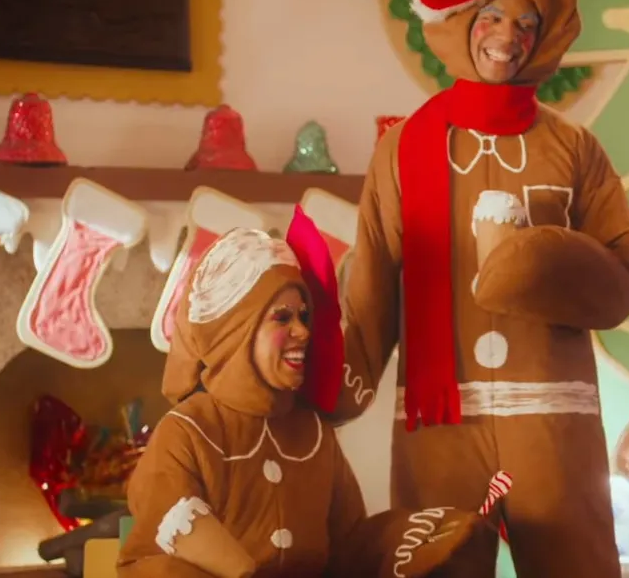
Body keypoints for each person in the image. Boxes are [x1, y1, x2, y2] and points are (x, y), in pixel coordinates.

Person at [330, 0, 629, 578]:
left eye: (526, 23)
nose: (509, 38)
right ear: (458, 24)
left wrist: (540, 264)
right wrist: (330, 382)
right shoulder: (401, 149)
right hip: (439, 427)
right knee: (435, 568)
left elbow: (621, 278)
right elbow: (372, 296)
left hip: (552, 423)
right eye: (493, 19)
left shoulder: (574, 148)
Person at [118, 216, 501, 578]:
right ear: (235, 332)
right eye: (282, 318)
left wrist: (418, 540)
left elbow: (349, 544)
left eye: (304, 316)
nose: (302, 331)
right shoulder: (187, 431)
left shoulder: (314, 434)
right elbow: (168, 526)